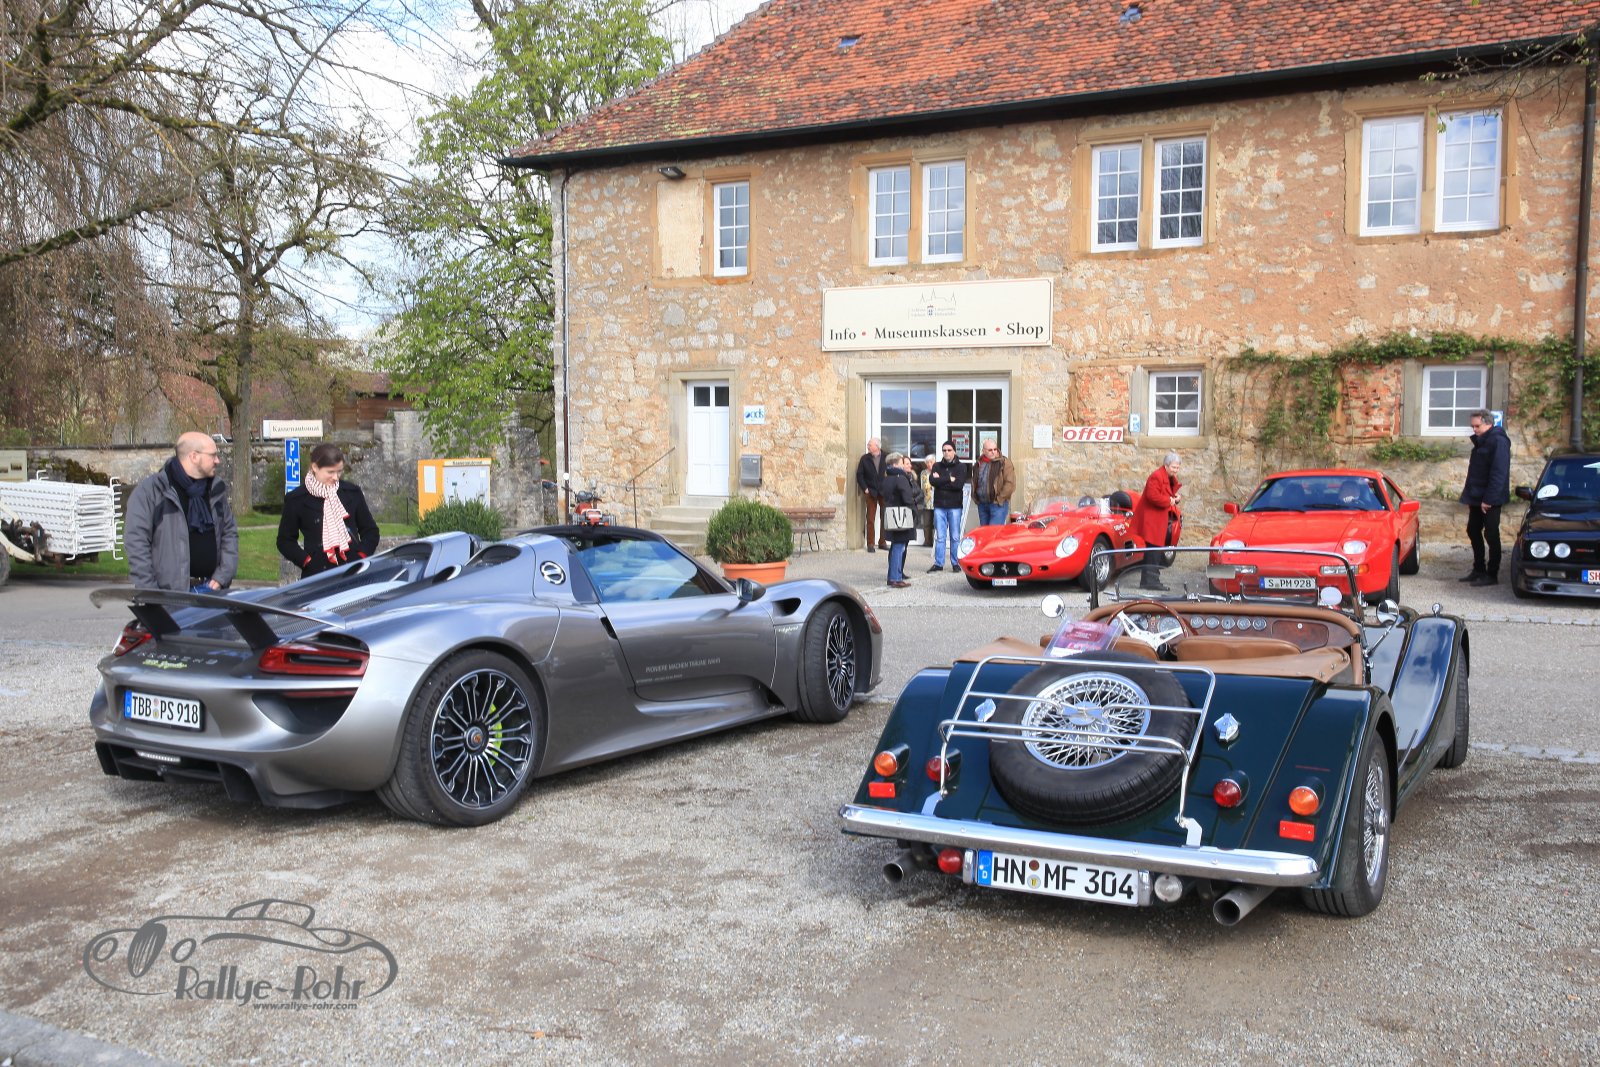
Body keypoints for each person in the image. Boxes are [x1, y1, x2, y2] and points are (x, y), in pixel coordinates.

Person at [124, 431, 239, 592]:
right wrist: (150, 592)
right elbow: (136, 542)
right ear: (194, 456)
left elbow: (229, 533)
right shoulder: (151, 492)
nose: (217, 461)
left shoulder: (215, 490)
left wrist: (224, 575)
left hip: (213, 591)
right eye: (213, 455)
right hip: (169, 595)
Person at [277, 443, 380, 577]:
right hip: (317, 575)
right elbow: (285, 540)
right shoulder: (296, 499)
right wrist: (307, 561)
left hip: (353, 571)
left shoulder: (352, 493)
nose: (336, 477)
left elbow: (370, 531)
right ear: (315, 467)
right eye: (330, 472)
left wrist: (360, 556)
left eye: (339, 471)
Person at [1459, 409, 1511, 586]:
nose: (1474, 430)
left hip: (1490, 498)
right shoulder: (1482, 441)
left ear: (1488, 424)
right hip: (1477, 495)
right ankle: (1479, 569)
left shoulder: (1498, 441)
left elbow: (1499, 473)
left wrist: (1489, 499)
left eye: (1477, 426)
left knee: (1491, 534)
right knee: (1473, 530)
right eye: (1472, 426)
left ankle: (1492, 573)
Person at [1133, 452, 1183, 590]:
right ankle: (1150, 581)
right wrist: (1169, 500)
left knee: (1155, 550)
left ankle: (1150, 580)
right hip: (1152, 520)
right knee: (1153, 550)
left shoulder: (1166, 476)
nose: (1175, 470)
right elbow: (1152, 496)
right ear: (1166, 465)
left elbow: (1166, 493)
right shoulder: (1156, 476)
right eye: (1173, 467)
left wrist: (1175, 498)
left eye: (1177, 468)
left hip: (1157, 519)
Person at [926, 440, 968, 572]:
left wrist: (941, 480)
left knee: (955, 536)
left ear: (954, 451)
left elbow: (958, 485)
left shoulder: (961, 467)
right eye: (944, 450)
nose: (946, 452)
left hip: (954, 506)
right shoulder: (937, 466)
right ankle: (939, 563)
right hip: (940, 506)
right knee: (940, 537)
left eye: (949, 450)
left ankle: (956, 563)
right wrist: (949, 478)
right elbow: (933, 481)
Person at [880, 451, 918, 587]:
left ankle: (893, 576)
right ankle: (895, 578)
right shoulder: (900, 478)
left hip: (891, 514)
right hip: (901, 515)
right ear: (895, 464)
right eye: (902, 462)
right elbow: (907, 498)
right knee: (899, 546)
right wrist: (913, 510)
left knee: (895, 545)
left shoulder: (887, 478)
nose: (903, 465)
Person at [972, 438, 1015, 527]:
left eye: (995, 449)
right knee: (984, 532)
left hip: (997, 505)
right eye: (990, 450)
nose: (993, 452)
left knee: (994, 532)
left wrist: (999, 499)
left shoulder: (1004, 462)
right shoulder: (979, 463)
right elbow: (975, 481)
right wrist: (976, 498)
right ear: (983, 451)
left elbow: (1010, 484)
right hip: (982, 504)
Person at [855, 437, 887, 552]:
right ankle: (870, 544)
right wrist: (865, 489)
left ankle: (882, 542)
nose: (868, 446)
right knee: (870, 518)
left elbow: (891, 472)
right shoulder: (864, 458)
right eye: (868, 444)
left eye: (870, 444)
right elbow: (859, 475)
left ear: (877, 446)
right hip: (871, 492)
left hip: (884, 491)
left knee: (885, 518)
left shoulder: (886, 457)